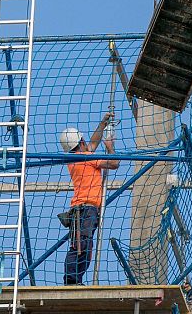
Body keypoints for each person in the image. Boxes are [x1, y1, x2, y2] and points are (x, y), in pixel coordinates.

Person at [58, 113, 119, 285]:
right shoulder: (88, 158)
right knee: (81, 245)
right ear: (81, 143)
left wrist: (103, 123)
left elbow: (92, 143)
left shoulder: (75, 159)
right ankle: (71, 280)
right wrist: (110, 147)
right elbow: (114, 164)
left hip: (84, 209)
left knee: (83, 246)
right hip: (86, 209)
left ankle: (74, 279)